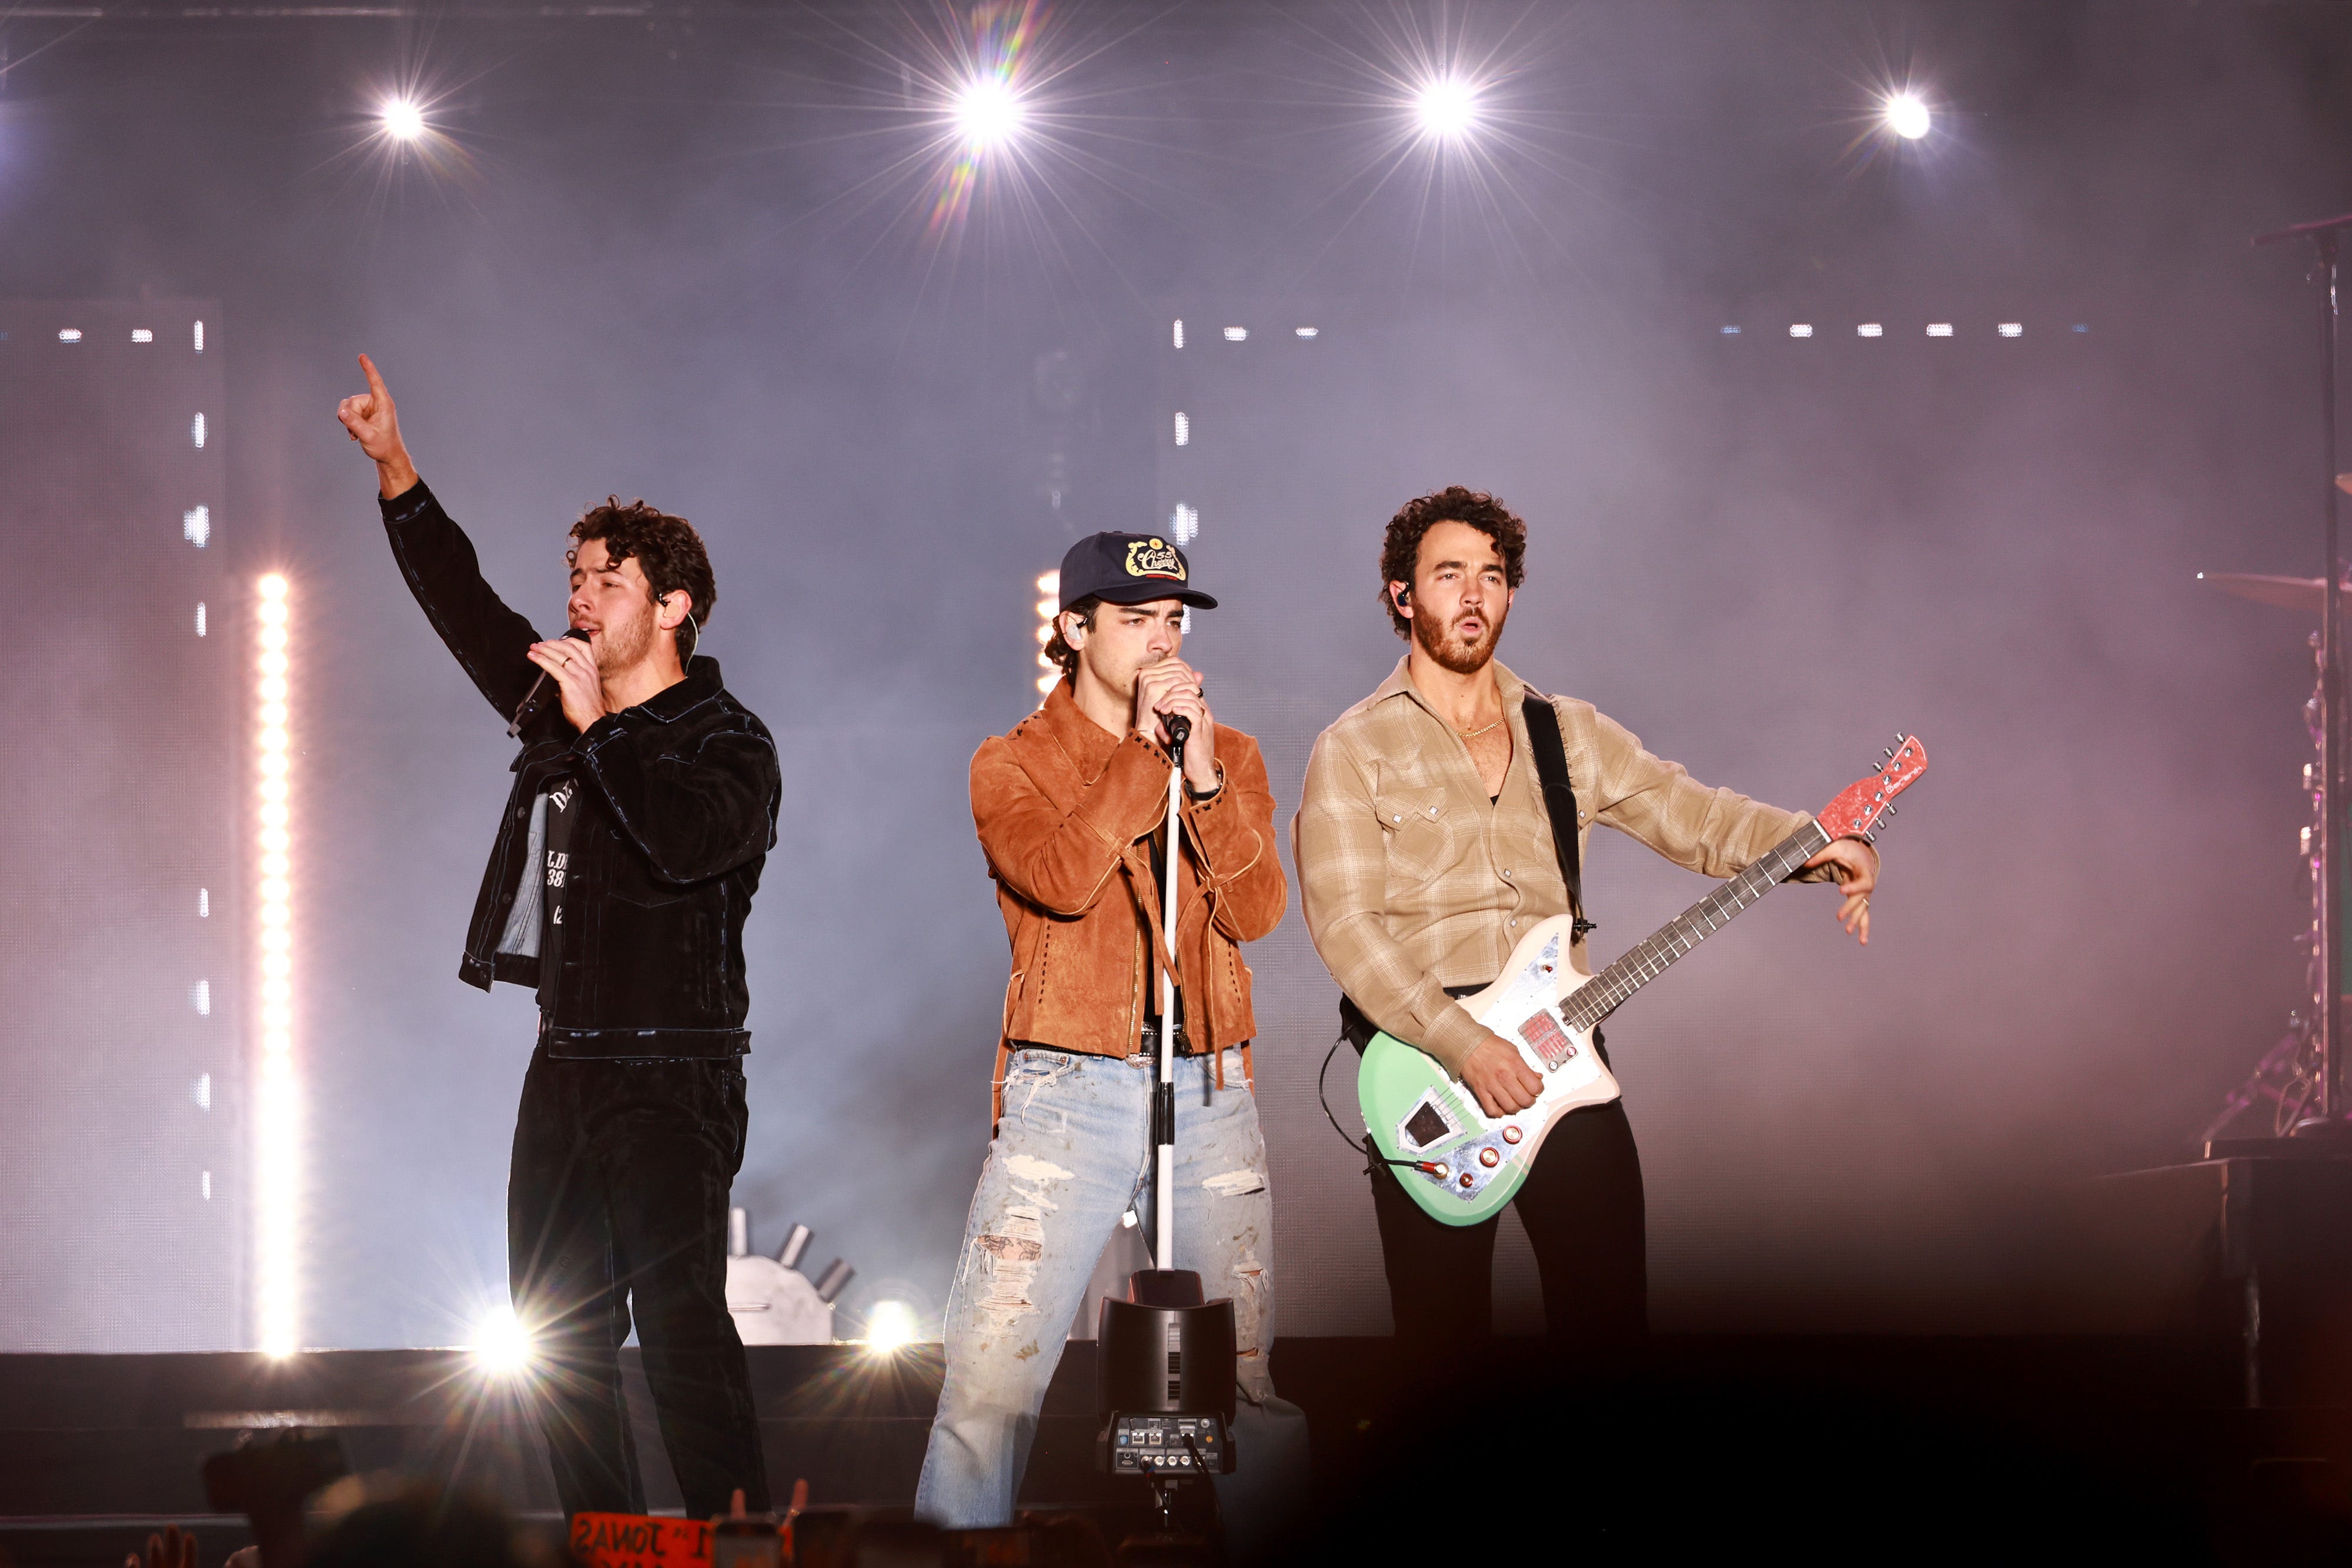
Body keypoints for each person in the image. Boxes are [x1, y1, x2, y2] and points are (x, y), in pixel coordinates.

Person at [335, 354, 778, 1519]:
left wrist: (600, 728)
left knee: (678, 1315)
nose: (581, 598)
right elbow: (470, 608)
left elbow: (685, 844)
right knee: (558, 1331)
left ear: (673, 603)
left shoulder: (727, 737)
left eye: (608, 579)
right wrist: (397, 471)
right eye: (574, 576)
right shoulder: (555, 703)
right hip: (567, 1059)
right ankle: (608, 1541)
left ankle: (735, 1536)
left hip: (675, 1066)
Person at [1293, 486, 1877, 1347]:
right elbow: (1346, 928)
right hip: (1430, 1064)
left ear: (1511, 592)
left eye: (1491, 576)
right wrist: (1465, 1043)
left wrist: (1822, 842)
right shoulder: (1353, 748)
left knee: (1609, 1339)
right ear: (1402, 595)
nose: (1472, 594)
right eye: (1447, 574)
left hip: (1565, 1053)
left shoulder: (1566, 731)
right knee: (1444, 1362)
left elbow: (1699, 818)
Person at [916, 532, 1307, 1543]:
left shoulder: (1233, 758)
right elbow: (1057, 877)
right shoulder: (1012, 761)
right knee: (990, 1381)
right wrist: (1145, 757)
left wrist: (1210, 782)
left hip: (1212, 1087)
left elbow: (1260, 911)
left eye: (1174, 620)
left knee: (1246, 1387)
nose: (1161, 642)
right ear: (1076, 629)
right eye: (1136, 620)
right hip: (1068, 1089)